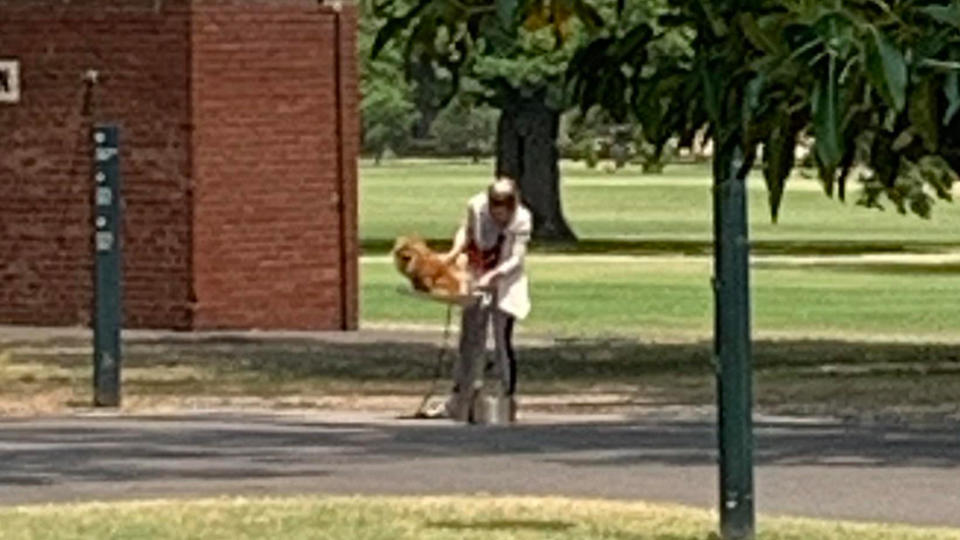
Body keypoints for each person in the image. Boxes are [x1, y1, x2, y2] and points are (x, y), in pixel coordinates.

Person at [429, 177, 532, 422]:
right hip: (476, 272)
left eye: (504, 211)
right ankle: (460, 398)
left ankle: (507, 396)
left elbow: (516, 258)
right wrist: (454, 254)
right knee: (470, 337)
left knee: (500, 338)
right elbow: (466, 232)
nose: (499, 217)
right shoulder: (476, 206)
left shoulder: (523, 219)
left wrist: (495, 275)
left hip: (506, 280)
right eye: (495, 209)